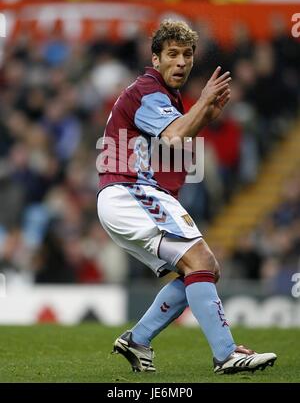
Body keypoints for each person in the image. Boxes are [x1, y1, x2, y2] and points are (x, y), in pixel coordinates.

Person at [96, 19, 277, 374]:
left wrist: (204, 113)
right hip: (128, 190)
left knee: (203, 267)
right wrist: (203, 103)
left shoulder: (164, 98)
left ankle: (138, 339)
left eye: (188, 54)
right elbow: (175, 137)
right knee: (200, 259)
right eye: (173, 54)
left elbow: (172, 143)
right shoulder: (148, 91)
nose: (181, 62)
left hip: (132, 193)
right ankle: (226, 354)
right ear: (156, 59)